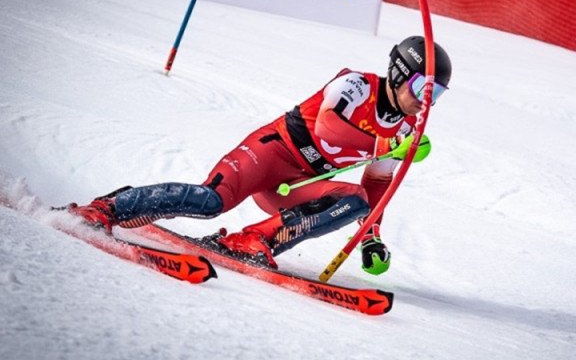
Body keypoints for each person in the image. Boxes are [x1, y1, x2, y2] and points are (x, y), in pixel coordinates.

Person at [71, 36, 452, 275]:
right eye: (423, 88)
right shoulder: (355, 85)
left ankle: (252, 240)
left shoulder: (402, 130)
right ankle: (108, 207)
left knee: (356, 200)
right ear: (400, 74)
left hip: (296, 186)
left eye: (435, 96)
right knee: (211, 201)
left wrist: (371, 237)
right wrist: (380, 146)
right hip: (270, 153)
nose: (425, 102)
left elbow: (376, 184)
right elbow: (326, 129)